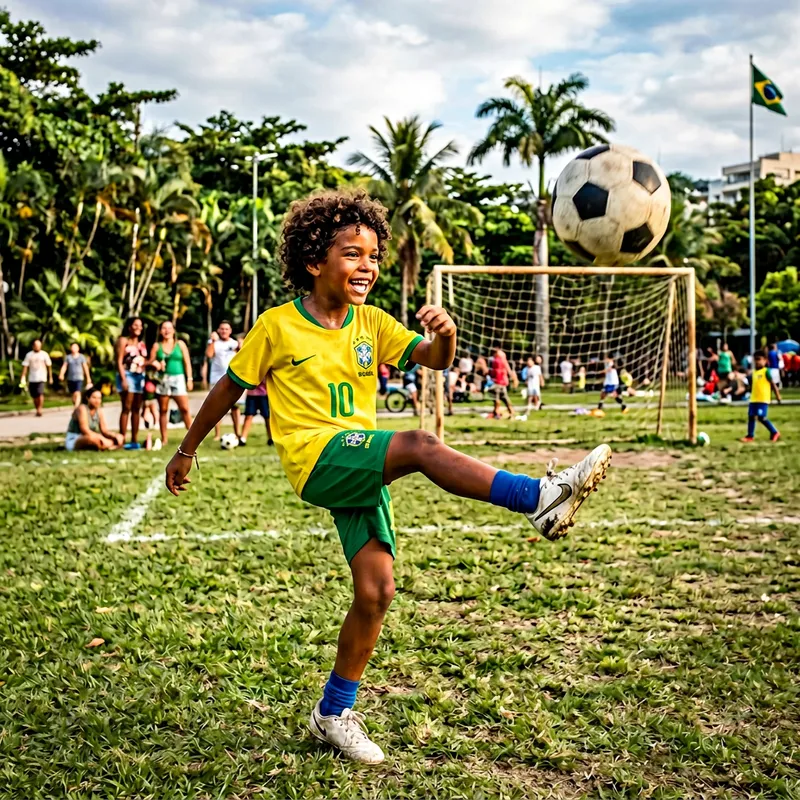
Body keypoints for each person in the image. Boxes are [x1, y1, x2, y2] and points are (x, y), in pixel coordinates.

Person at [164, 189, 611, 765]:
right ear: (313, 261)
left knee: (376, 593)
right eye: (352, 254)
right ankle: (539, 496)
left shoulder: (372, 321)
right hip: (317, 457)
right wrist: (186, 449)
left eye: (373, 256)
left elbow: (435, 358)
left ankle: (331, 712)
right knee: (420, 445)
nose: (367, 266)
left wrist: (445, 333)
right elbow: (229, 386)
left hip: (360, 459)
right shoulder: (277, 326)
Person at [149, 320, 193, 446]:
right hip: (163, 379)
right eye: (164, 328)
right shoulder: (157, 346)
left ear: (174, 330)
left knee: (184, 408)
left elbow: (187, 362)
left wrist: (189, 379)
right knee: (163, 410)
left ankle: (192, 436)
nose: (167, 331)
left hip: (178, 378)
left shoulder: (180, 344)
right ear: (160, 331)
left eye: (169, 328)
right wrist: (155, 364)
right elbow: (149, 362)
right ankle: (164, 439)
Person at [206, 321, 241, 441]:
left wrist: (241, 345)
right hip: (217, 378)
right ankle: (217, 434)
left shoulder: (235, 343)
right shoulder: (214, 342)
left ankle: (237, 433)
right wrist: (212, 341)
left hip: (233, 378)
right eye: (222, 329)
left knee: (235, 407)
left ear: (230, 331)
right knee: (217, 407)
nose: (224, 331)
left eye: (226, 329)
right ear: (218, 330)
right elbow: (209, 355)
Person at [116, 317, 148, 446]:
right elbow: (118, 361)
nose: (138, 328)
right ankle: (122, 438)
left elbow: (143, 361)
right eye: (135, 325)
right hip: (127, 374)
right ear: (129, 326)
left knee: (137, 408)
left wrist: (153, 363)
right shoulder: (123, 341)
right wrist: (123, 379)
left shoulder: (141, 344)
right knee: (126, 407)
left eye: (140, 325)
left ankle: (134, 440)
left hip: (140, 376)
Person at [65, 386, 124, 451]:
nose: (97, 400)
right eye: (94, 398)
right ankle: (109, 445)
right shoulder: (82, 409)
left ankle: (105, 445)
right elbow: (85, 430)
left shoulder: (99, 411)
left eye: (99, 398)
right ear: (88, 398)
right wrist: (102, 439)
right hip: (76, 438)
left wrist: (115, 436)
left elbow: (104, 431)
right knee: (92, 439)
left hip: (94, 436)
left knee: (119, 437)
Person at [741, 350, 781, 442]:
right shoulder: (754, 372)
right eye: (755, 359)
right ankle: (750, 436)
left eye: (759, 359)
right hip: (754, 399)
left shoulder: (766, 371)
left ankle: (774, 432)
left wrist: (777, 395)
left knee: (761, 417)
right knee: (751, 416)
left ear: (765, 360)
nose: (757, 362)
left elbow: (773, 384)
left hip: (763, 399)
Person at [20, 339, 52, 416]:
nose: (37, 347)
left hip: (41, 377)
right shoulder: (29, 355)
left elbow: (49, 366)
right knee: (34, 395)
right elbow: (25, 367)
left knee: (40, 393)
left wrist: (50, 377)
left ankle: (39, 409)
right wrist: (23, 377)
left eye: (39, 345)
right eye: (36, 345)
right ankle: (37, 408)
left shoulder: (44, 354)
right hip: (32, 378)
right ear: (33, 346)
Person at [240, 379, 272, 446]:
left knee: (267, 417)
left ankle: (271, 438)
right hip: (251, 394)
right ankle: (243, 438)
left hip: (264, 394)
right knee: (249, 415)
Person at [59, 342, 91, 406]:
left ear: (78, 348)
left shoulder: (82, 357)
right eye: (72, 347)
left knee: (78, 392)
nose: (74, 348)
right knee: (73, 394)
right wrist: (61, 374)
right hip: (70, 378)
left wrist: (88, 377)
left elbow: (85, 367)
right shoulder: (68, 357)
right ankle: (75, 403)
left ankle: (76, 408)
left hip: (79, 378)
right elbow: (64, 366)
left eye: (75, 347)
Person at [489, 345, 515, 419]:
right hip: (499, 381)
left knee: (497, 398)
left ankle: (497, 413)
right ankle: (510, 412)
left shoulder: (500, 357)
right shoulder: (496, 358)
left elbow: (505, 365)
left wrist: (509, 374)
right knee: (503, 398)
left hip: (499, 381)